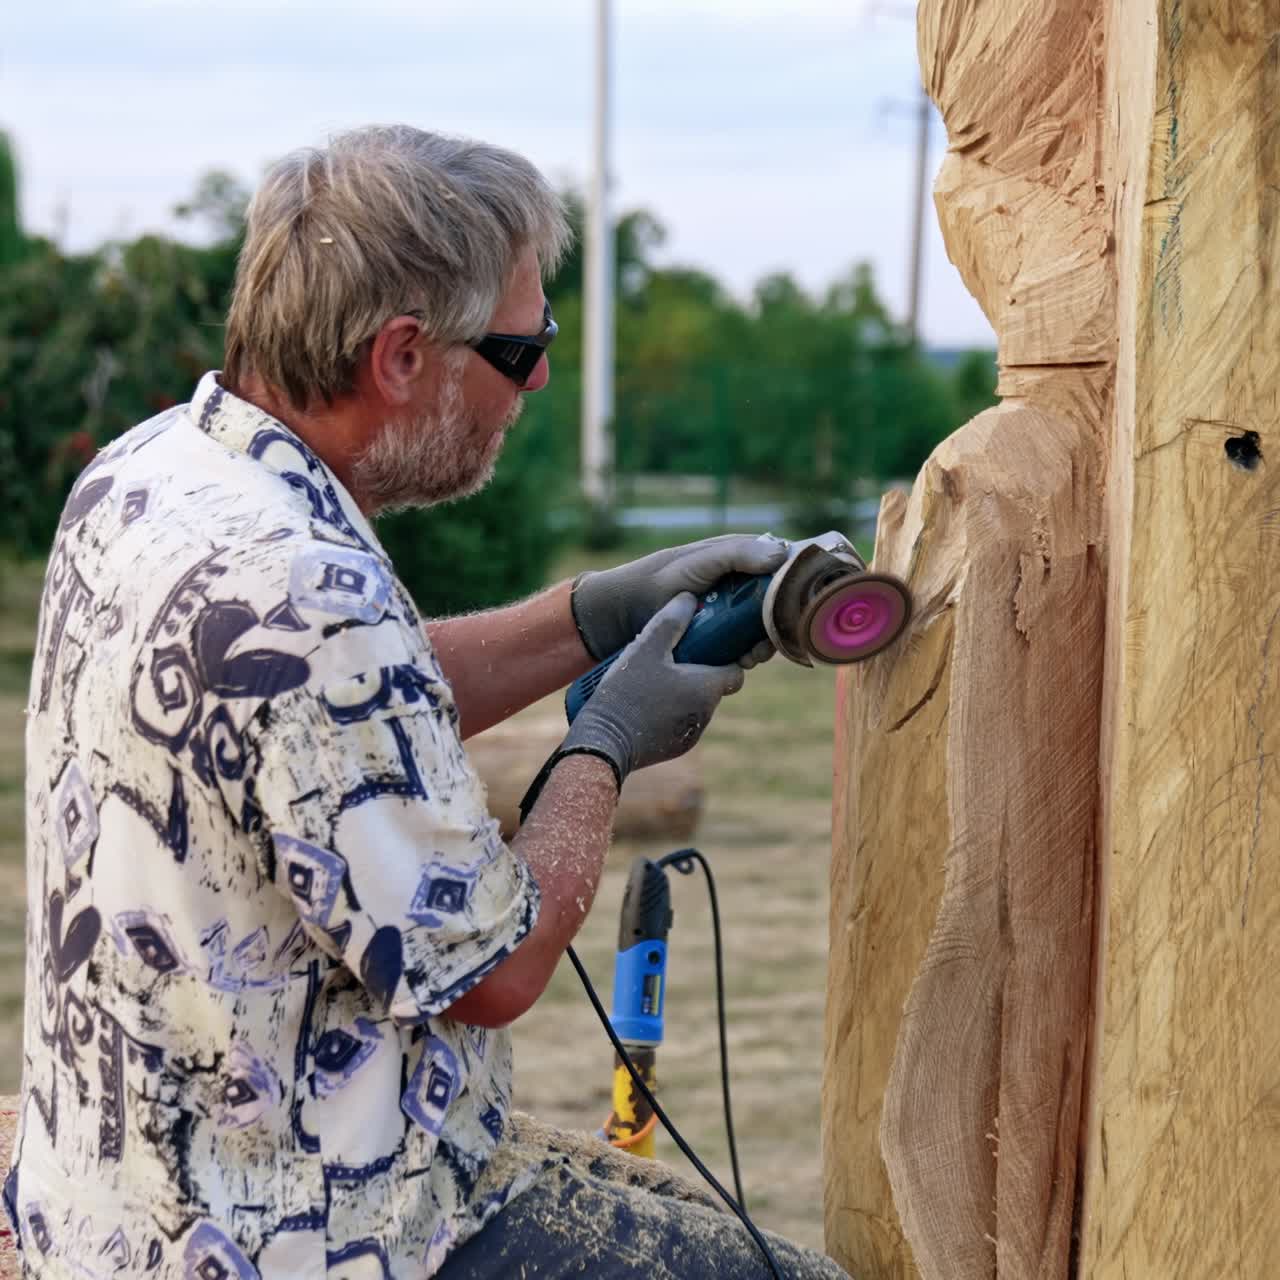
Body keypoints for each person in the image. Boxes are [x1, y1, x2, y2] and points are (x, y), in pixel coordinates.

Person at [5, 125, 848, 1279]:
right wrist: (605, 744)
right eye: (520, 346)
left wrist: (590, 612)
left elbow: (334, 724)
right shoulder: (308, 588)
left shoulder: (153, 473)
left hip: (117, 1197)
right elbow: (488, 968)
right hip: (304, 1234)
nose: (540, 375)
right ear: (401, 356)